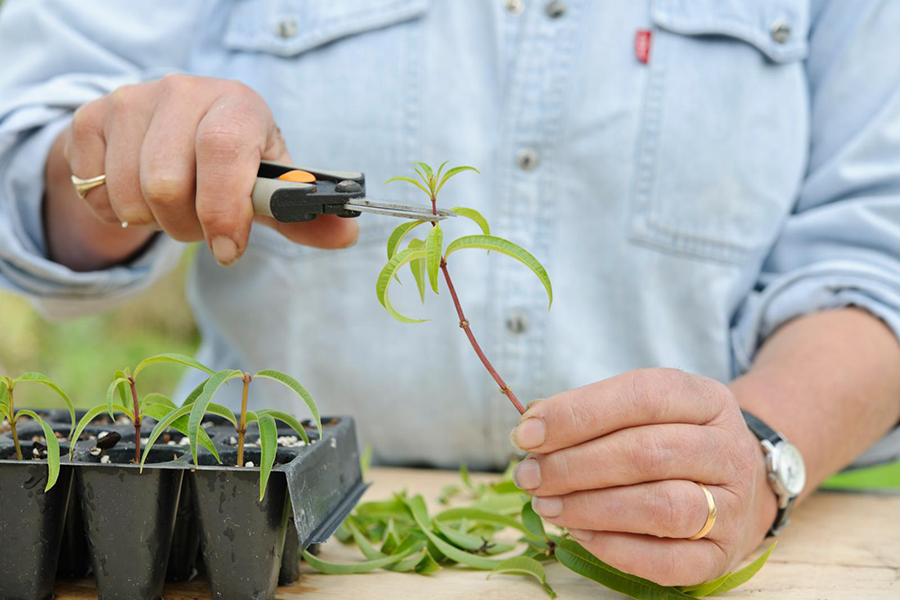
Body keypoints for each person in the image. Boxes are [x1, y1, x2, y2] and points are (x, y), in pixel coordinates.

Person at [1, 0, 899, 587]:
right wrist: (119, 160)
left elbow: (876, 246)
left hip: (684, 560)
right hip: (282, 549)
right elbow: (34, 158)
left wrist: (764, 449)